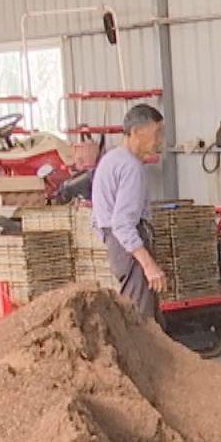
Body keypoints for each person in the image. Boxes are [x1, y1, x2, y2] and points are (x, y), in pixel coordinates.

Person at [91, 103, 168, 319]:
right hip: (129, 248)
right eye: (156, 133)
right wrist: (148, 265)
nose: (159, 140)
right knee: (139, 320)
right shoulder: (130, 167)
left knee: (147, 319)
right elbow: (123, 223)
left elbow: (97, 218)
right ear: (136, 132)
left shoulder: (110, 160)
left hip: (118, 245)